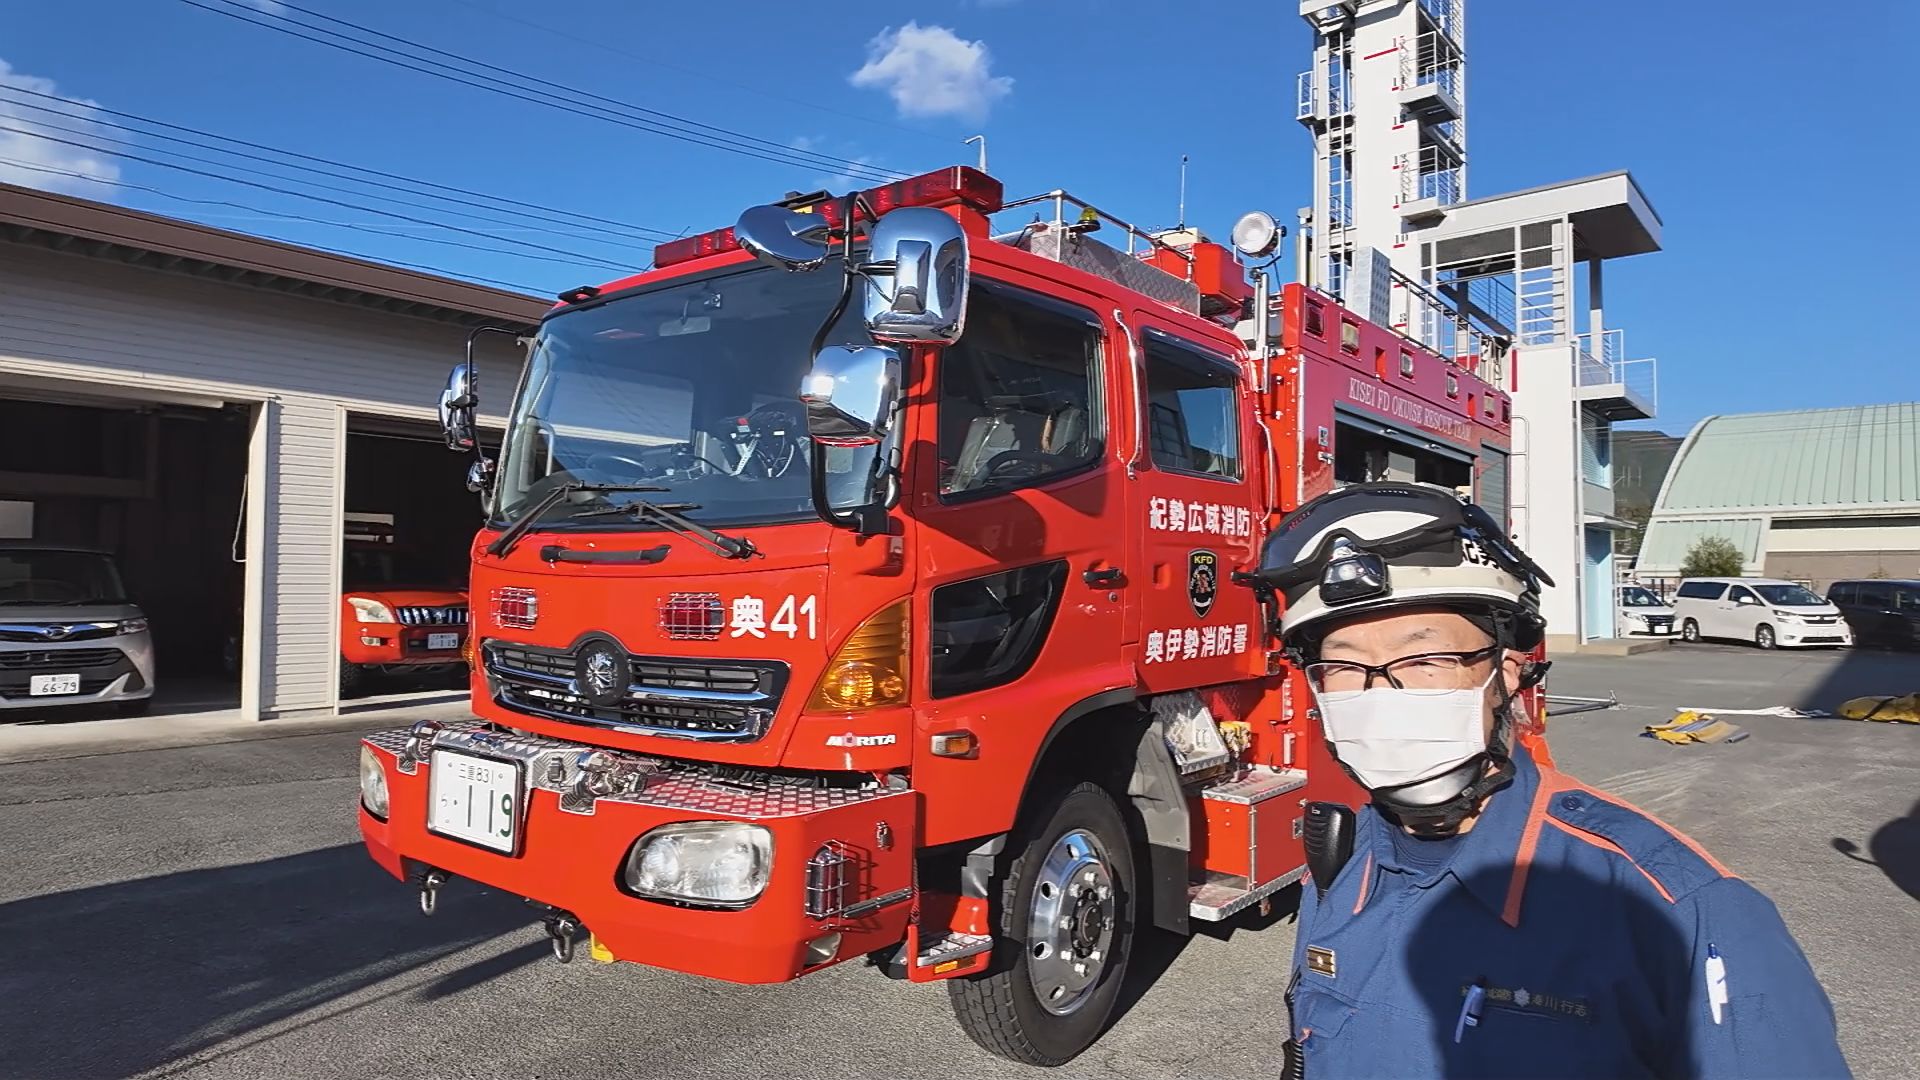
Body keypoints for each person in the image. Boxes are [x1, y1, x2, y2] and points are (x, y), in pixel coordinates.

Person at [1253, 481, 1850, 1079]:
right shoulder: (1341, 860)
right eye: (1343, 664)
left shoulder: (1680, 908)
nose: (1379, 692)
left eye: (1424, 657)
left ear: (1506, 674)